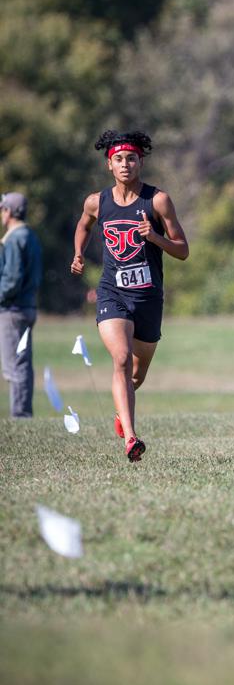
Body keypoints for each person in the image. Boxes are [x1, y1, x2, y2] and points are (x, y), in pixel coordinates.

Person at [71, 130, 189, 461]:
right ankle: (131, 439)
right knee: (120, 359)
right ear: (109, 165)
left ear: (141, 162)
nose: (125, 164)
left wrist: (155, 237)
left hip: (148, 297)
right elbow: (83, 225)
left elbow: (183, 250)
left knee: (136, 373)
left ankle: (121, 412)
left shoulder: (158, 201)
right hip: (113, 293)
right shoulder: (97, 201)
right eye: (119, 159)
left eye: (131, 158)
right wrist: (78, 253)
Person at [0, 192, 42, 418]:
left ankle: (20, 413)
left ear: (9, 211)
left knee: (13, 365)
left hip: (13, 309)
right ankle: (23, 411)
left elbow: (12, 278)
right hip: (28, 307)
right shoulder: (30, 235)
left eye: (2, 209)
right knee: (22, 363)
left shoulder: (15, 238)